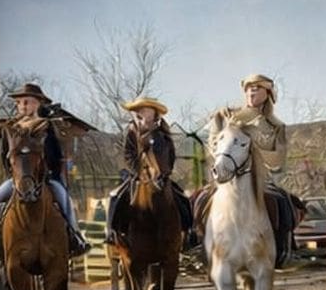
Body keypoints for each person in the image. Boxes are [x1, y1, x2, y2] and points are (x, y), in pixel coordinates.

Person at [0, 83, 91, 259]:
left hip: (46, 178)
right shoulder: (11, 128)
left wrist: (48, 172)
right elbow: (4, 154)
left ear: (38, 103)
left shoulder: (47, 127)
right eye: (20, 102)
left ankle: (75, 237)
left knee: (65, 200)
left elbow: (55, 154)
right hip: (18, 179)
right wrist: (13, 175)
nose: (23, 106)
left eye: (27, 102)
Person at [204, 74, 297, 267]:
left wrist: (254, 145)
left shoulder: (276, 126)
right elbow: (213, 143)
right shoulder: (226, 115)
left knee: (282, 201)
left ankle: (282, 247)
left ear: (268, 93)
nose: (251, 90)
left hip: (260, 178)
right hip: (226, 175)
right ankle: (198, 242)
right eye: (248, 87)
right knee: (200, 201)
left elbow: (278, 159)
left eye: (257, 87)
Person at [106, 96, 193, 246]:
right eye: (141, 109)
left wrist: (166, 171)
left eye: (147, 109)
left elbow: (171, 154)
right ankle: (113, 233)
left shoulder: (163, 133)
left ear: (154, 113)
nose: (143, 112)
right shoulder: (132, 131)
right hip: (138, 175)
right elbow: (128, 154)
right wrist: (139, 171)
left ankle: (189, 233)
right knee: (115, 197)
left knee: (183, 199)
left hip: (161, 176)